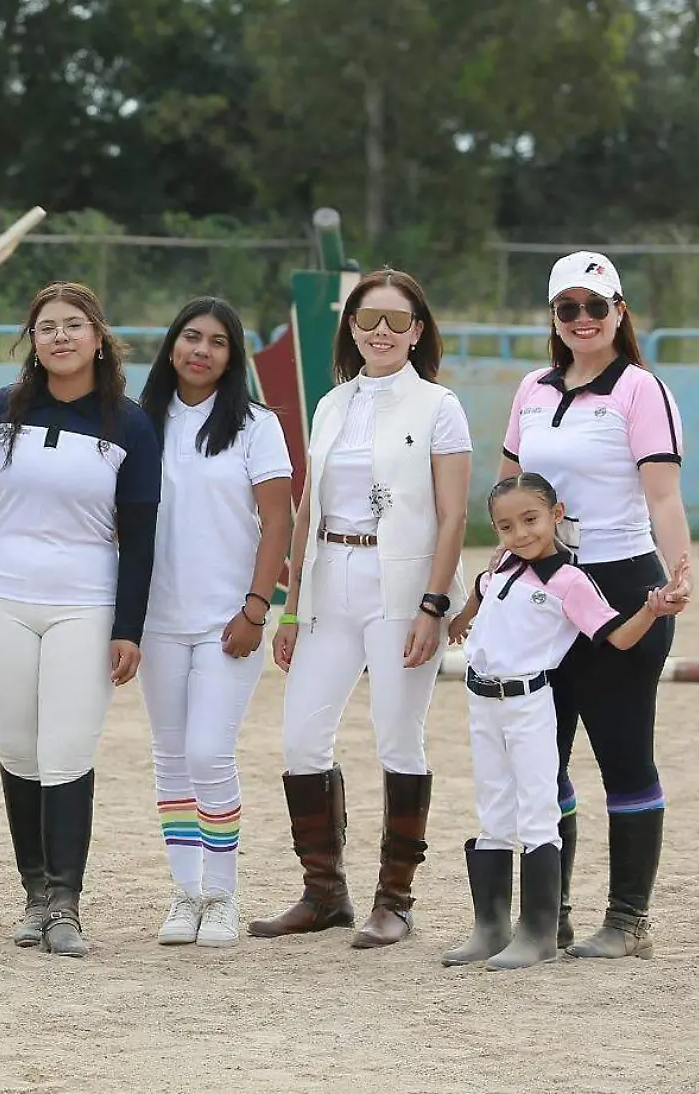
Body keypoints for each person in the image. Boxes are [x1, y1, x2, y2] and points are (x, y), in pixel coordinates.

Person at [253, 268, 470, 949]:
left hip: (400, 585)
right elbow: (309, 502)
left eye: (397, 321)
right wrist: (290, 609)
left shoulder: (440, 405)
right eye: (368, 319)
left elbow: (453, 511)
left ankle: (395, 899)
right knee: (299, 739)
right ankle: (324, 894)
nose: (381, 331)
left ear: (418, 331)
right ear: (350, 327)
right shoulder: (330, 405)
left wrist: (434, 605)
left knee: (397, 734)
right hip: (328, 581)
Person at [499, 251, 692, 959]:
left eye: (595, 306)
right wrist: (497, 571)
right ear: (553, 318)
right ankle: (549, 916)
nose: (581, 319)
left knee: (622, 753)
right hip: (544, 591)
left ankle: (628, 919)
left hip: (618, 582)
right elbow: (510, 487)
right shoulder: (531, 388)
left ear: (619, 312)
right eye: (566, 308)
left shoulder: (641, 390)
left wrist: (679, 573)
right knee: (540, 759)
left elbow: (663, 495)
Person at [0, 281, 160, 958]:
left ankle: (67, 905)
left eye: (73, 326)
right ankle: (34, 896)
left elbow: (140, 534)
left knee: (67, 750)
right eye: (46, 327)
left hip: (84, 599)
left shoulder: (130, 424)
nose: (60, 337)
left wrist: (127, 626)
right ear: (32, 340)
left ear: (98, 337)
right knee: (18, 748)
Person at [441, 473, 689, 970]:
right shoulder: (501, 570)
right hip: (483, 704)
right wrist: (458, 620)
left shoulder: (569, 581)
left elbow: (616, 636)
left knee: (537, 809)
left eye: (531, 519)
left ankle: (540, 929)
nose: (521, 533)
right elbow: (473, 606)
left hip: (530, 704)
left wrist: (651, 609)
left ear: (556, 515)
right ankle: (489, 925)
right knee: (493, 808)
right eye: (506, 526)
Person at [135, 299, 293, 949]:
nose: (201, 350)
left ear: (233, 357)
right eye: (190, 337)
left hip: (231, 619)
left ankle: (222, 895)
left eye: (218, 342)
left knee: (209, 751)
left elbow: (277, 524)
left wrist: (257, 606)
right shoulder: (138, 423)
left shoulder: (256, 426)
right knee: (171, 757)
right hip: (156, 618)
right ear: (172, 345)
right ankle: (184, 893)